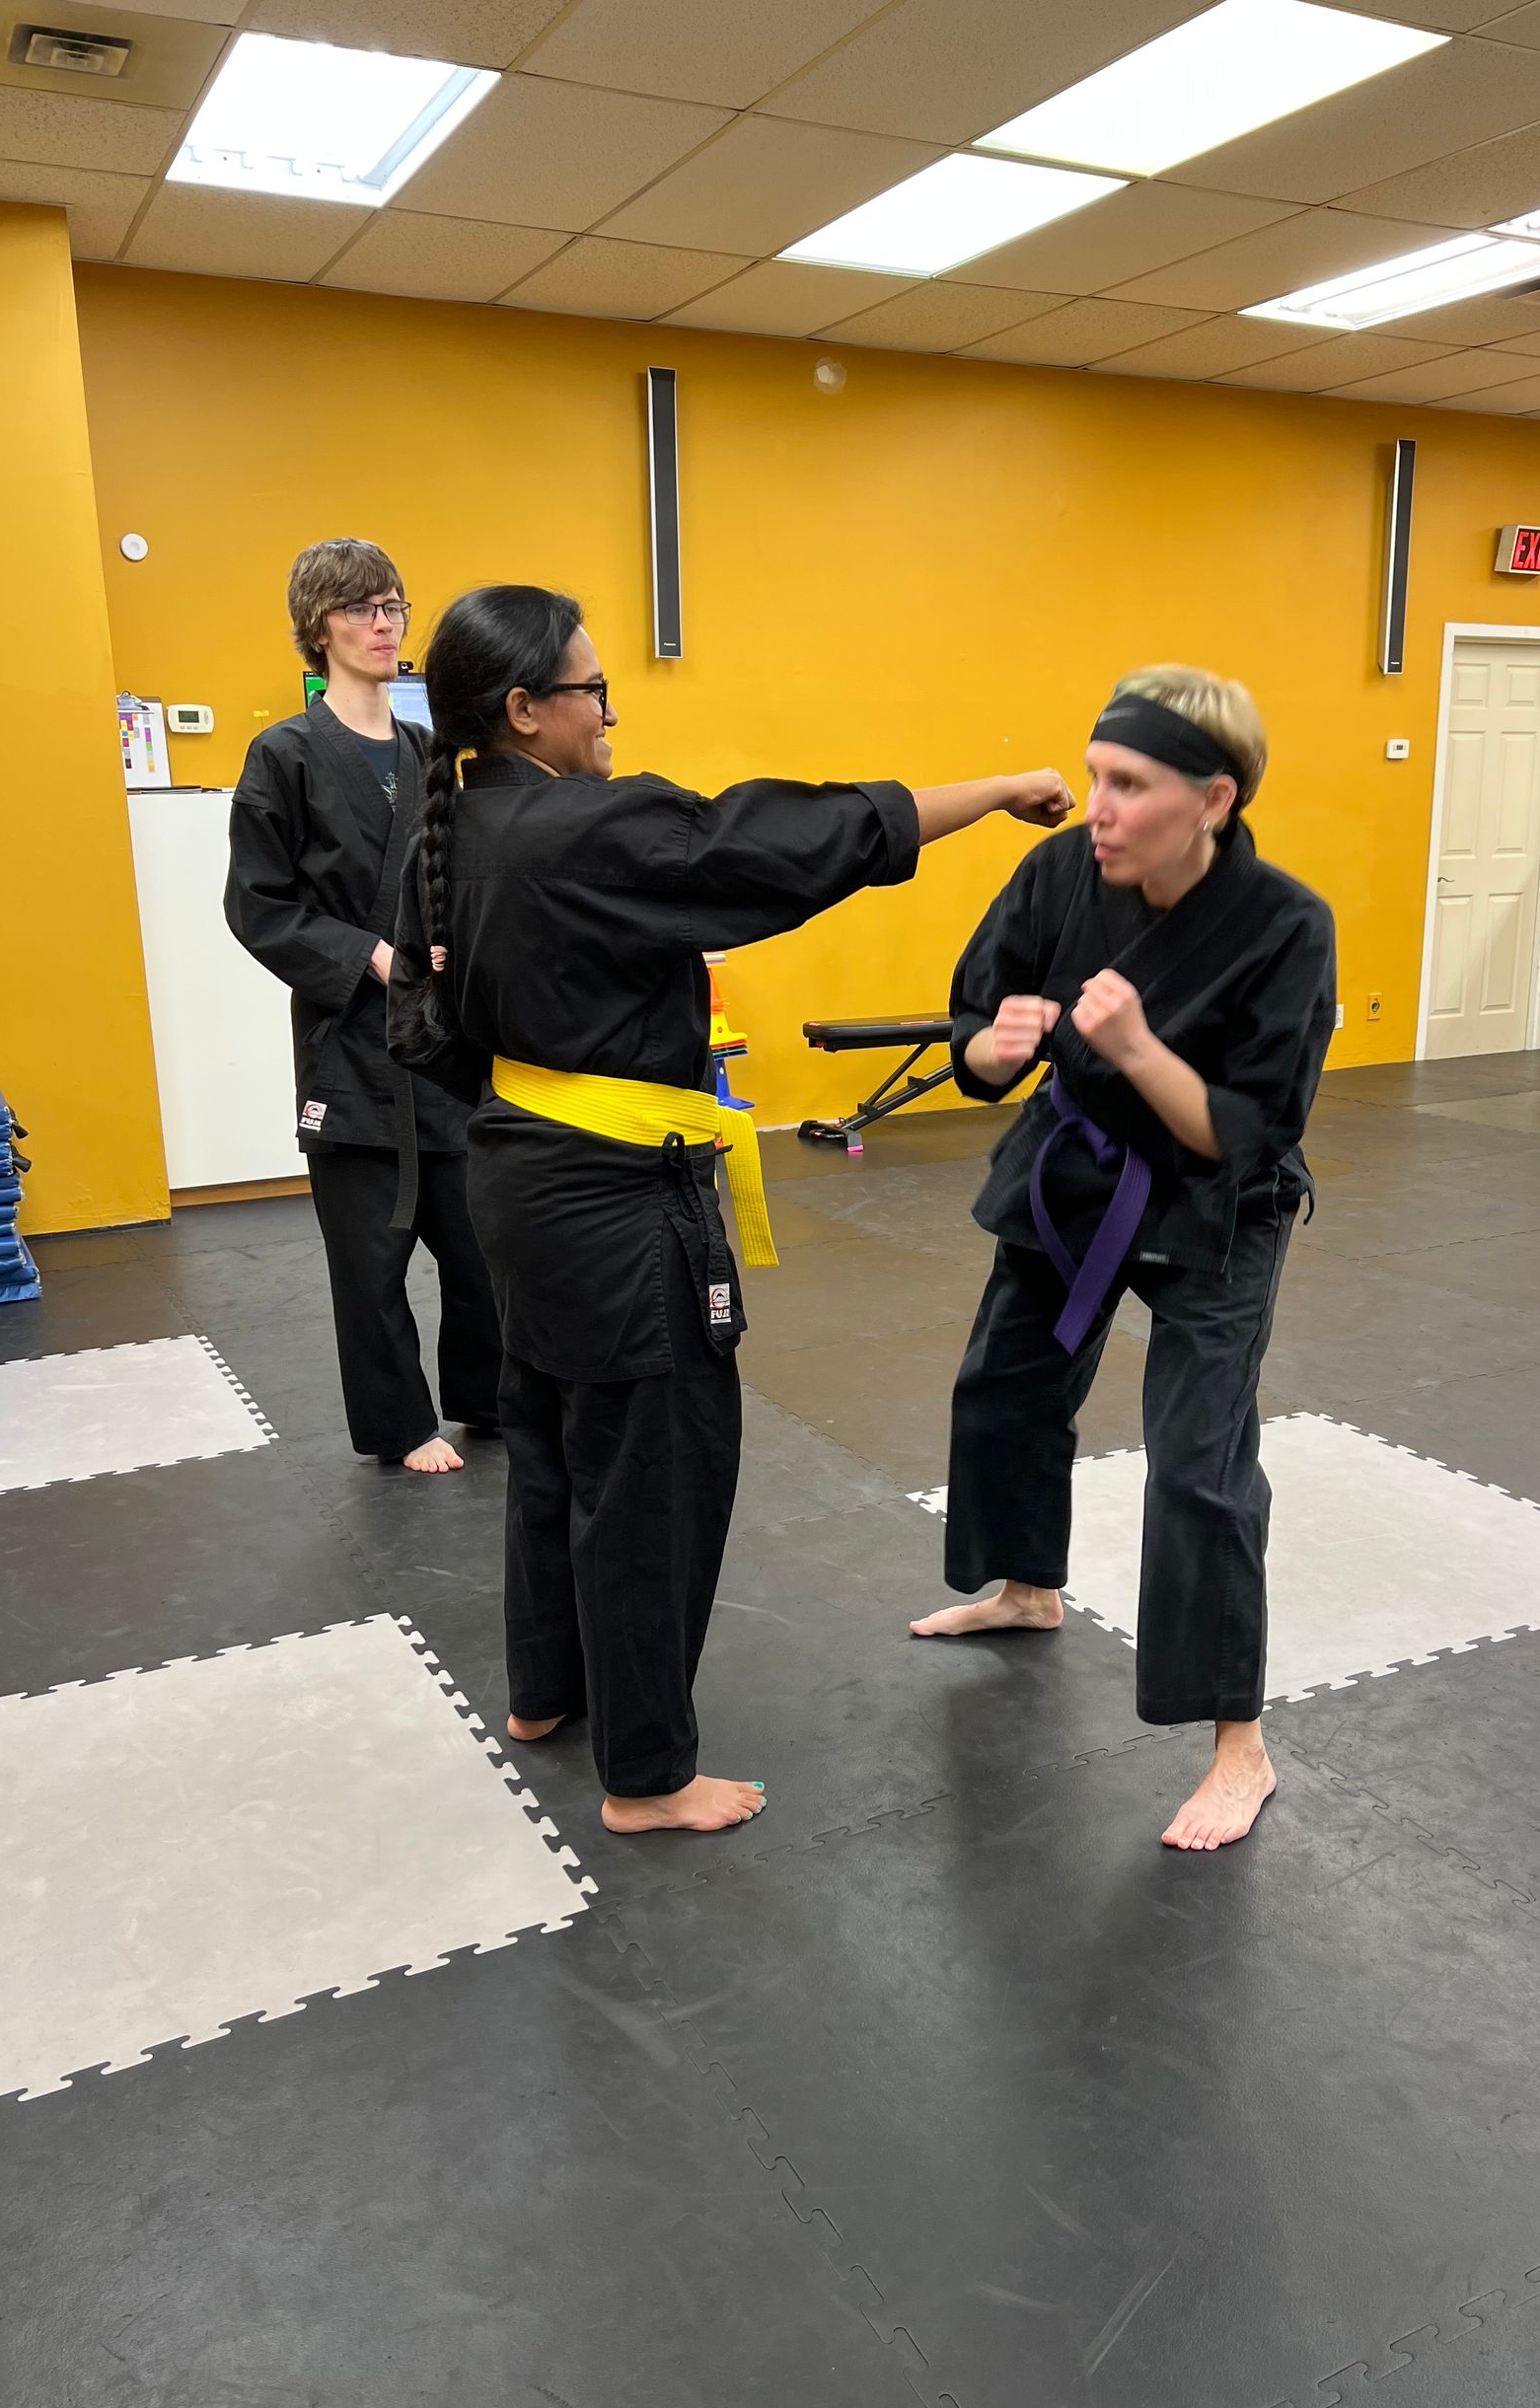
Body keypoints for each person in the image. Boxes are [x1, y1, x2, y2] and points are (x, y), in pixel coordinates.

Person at [387, 583, 1072, 1836]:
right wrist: (993, 791)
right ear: (526, 709)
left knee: (546, 1442)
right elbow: (783, 842)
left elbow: (420, 1030)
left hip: (515, 1176)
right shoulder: (581, 831)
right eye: (591, 689)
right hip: (612, 1200)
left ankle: (547, 1692)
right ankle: (646, 1775)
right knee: (651, 1476)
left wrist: (546, 1083)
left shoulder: (448, 832)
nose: (608, 711)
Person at [912, 667, 1336, 1854]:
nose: (1096, 806)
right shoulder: (1060, 873)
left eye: (1129, 784)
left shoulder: (1287, 926)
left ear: (1214, 798)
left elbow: (1244, 1128)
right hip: (1076, 1172)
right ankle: (1025, 1585)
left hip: (1217, 1202)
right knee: (1006, 1381)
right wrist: (994, 1053)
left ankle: (1238, 1743)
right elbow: (977, 1035)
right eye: (1094, 776)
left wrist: (1140, 1049)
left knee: (1200, 1462)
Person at [226, 538, 501, 1473]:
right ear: (320, 628)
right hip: (350, 1040)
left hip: (440, 1037)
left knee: (477, 1247)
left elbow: (456, 873)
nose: (385, 626)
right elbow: (257, 905)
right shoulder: (285, 755)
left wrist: (451, 945)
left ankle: (487, 1398)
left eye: (395, 608)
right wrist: (372, 955)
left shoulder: (431, 751)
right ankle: (402, 1427)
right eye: (362, 610)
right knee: (370, 1264)